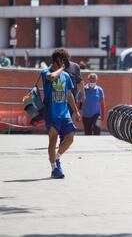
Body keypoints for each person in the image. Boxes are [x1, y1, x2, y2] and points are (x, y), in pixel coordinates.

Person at [41, 48, 81, 179]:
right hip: (52, 113)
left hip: (65, 114)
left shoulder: (66, 76)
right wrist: (62, 68)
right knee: (53, 141)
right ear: (58, 60)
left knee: (70, 138)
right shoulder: (46, 72)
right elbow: (51, 77)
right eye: (64, 61)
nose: (67, 63)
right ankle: (54, 169)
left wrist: (75, 111)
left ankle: (57, 158)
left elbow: (69, 94)